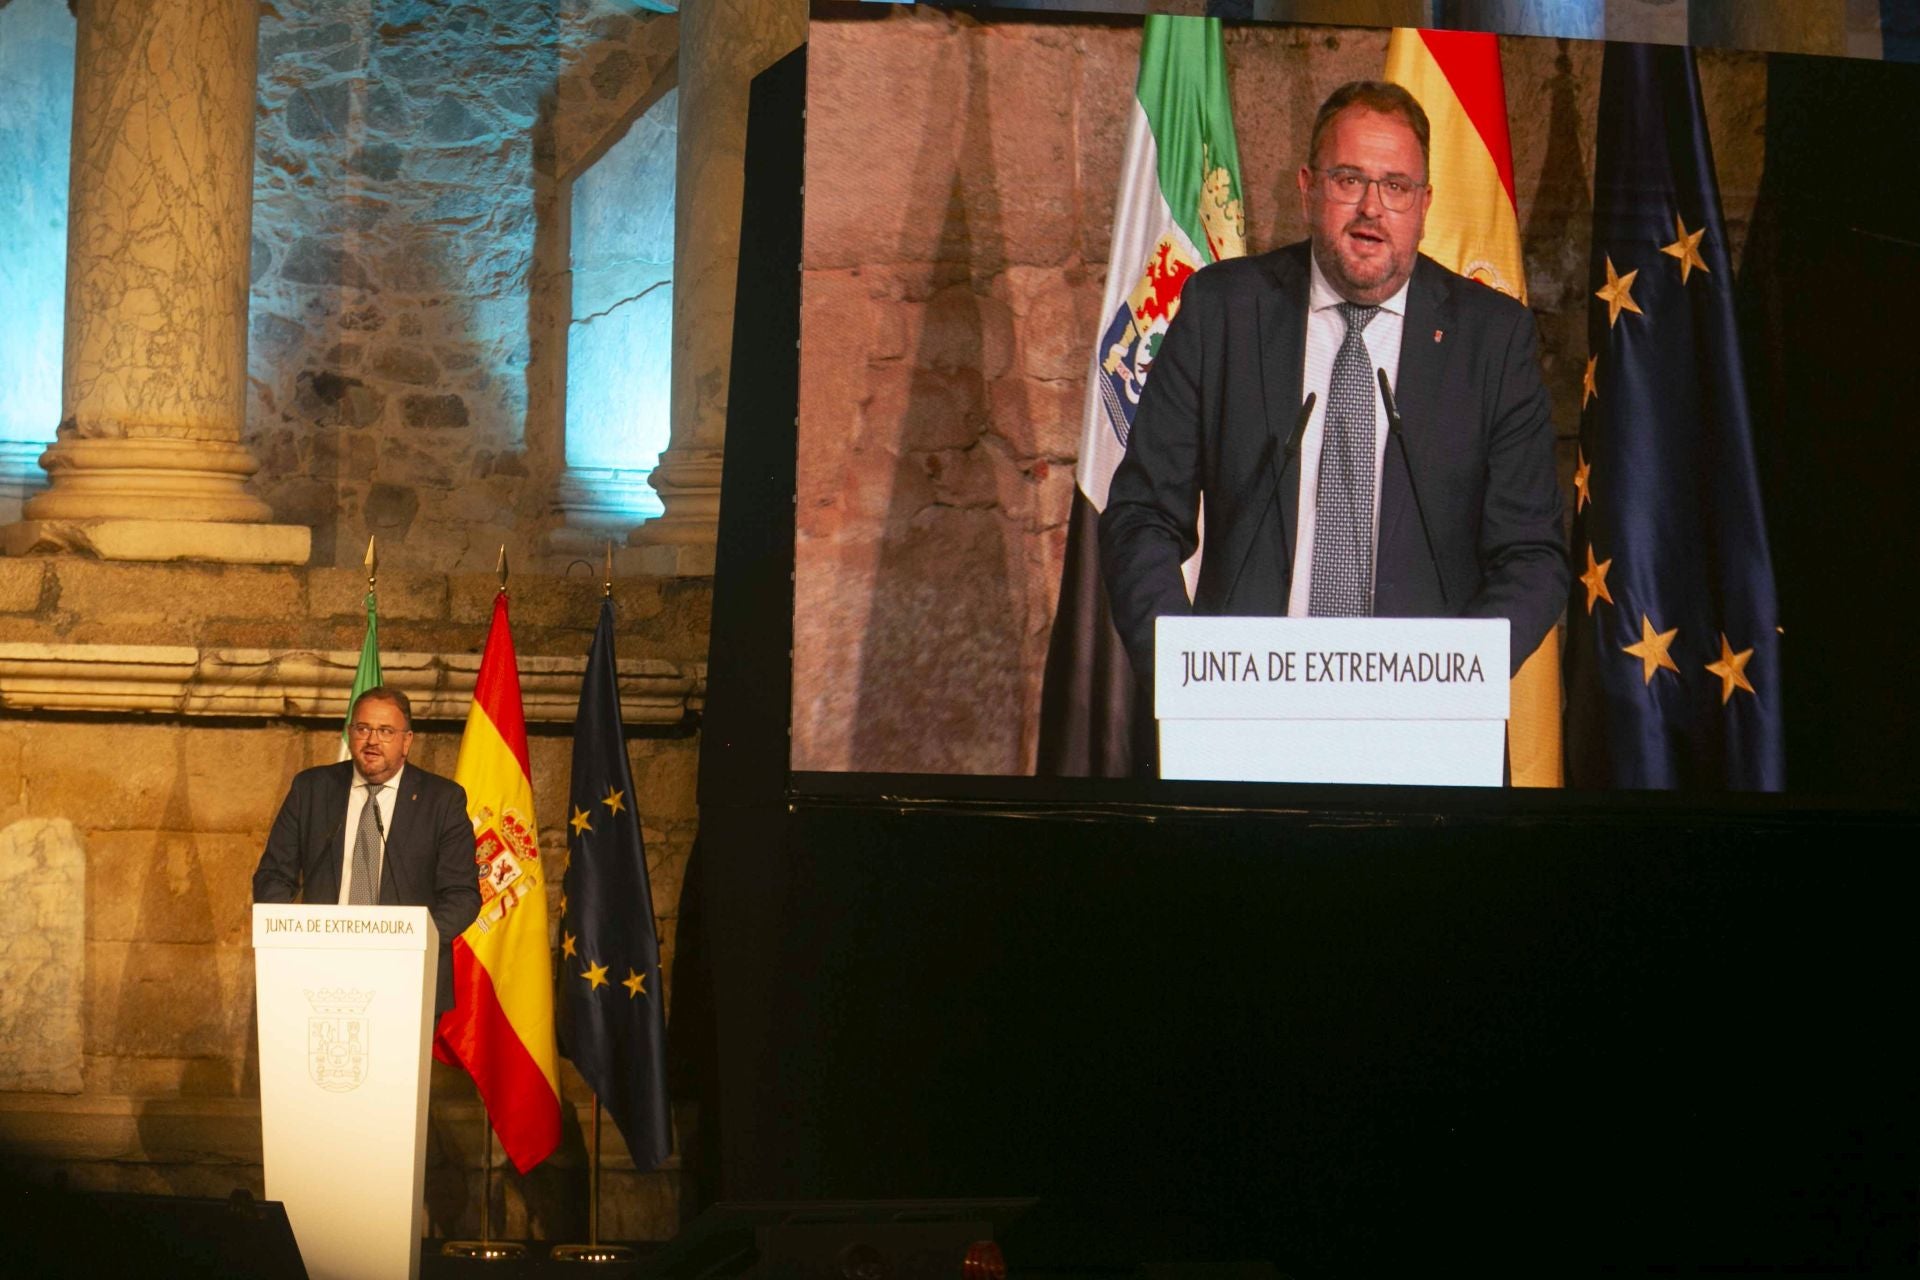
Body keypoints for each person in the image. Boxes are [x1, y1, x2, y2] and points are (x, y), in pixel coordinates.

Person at [1099, 80, 1566, 687]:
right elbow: (1142, 517)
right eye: (1349, 179)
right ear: (1308, 188)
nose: (1372, 207)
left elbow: (1532, 556)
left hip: (1423, 722)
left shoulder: (1492, 339)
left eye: (1396, 186)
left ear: (1424, 206)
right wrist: (1183, 673)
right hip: (1243, 706)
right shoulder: (1223, 312)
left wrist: (1455, 685)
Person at [252, 686, 480, 1018]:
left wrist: (414, 942)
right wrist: (288, 939)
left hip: (407, 975)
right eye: (363, 729)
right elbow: (273, 875)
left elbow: (462, 896)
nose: (372, 740)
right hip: (316, 972)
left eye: (386, 731)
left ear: (407, 741)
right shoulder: (312, 789)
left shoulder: (441, 800)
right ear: (350, 734)